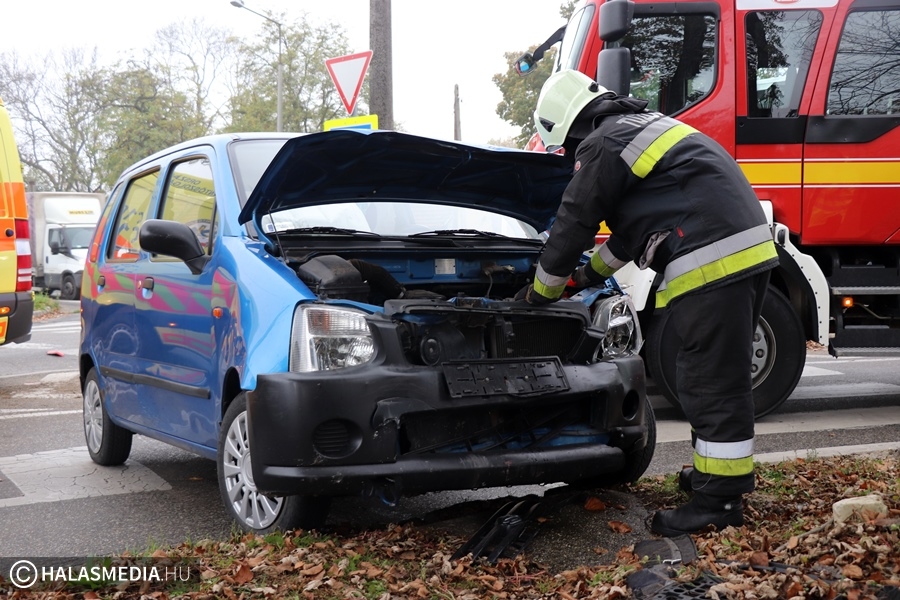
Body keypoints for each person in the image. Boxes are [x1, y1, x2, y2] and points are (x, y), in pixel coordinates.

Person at [519, 69, 779, 537]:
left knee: (709, 380)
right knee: (710, 373)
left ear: (567, 127)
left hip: (712, 258)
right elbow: (629, 238)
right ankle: (714, 478)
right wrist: (581, 279)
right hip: (742, 252)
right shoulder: (641, 130)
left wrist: (541, 293)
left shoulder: (602, 143)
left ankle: (719, 504)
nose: (570, 157)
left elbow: (572, 222)